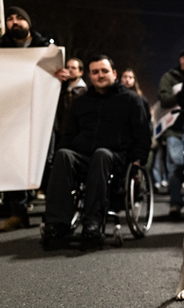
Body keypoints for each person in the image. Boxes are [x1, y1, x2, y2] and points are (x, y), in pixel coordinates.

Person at [42, 55, 151, 240]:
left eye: (104, 71)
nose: (100, 75)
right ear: (89, 76)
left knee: (101, 155)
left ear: (114, 73)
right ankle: (56, 223)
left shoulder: (131, 100)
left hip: (117, 157)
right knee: (63, 155)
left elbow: (142, 135)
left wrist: (138, 161)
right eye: (95, 72)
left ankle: (92, 222)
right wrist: (63, 150)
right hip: (84, 156)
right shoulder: (82, 102)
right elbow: (69, 135)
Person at [0, 6, 69, 231]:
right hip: (12, 117)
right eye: (10, 19)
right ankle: (18, 213)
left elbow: (56, 85)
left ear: (28, 22)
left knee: (45, 163)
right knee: (12, 162)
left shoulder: (47, 48)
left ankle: (52, 214)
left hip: (42, 117)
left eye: (19, 18)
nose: (14, 22)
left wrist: (62, 79)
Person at [158, 48, 184, 220]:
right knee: (177, 165)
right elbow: (165, 100)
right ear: (182, 60)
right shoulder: (169, 78)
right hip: (174, 128)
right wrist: (183, 95)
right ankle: (175, 203)